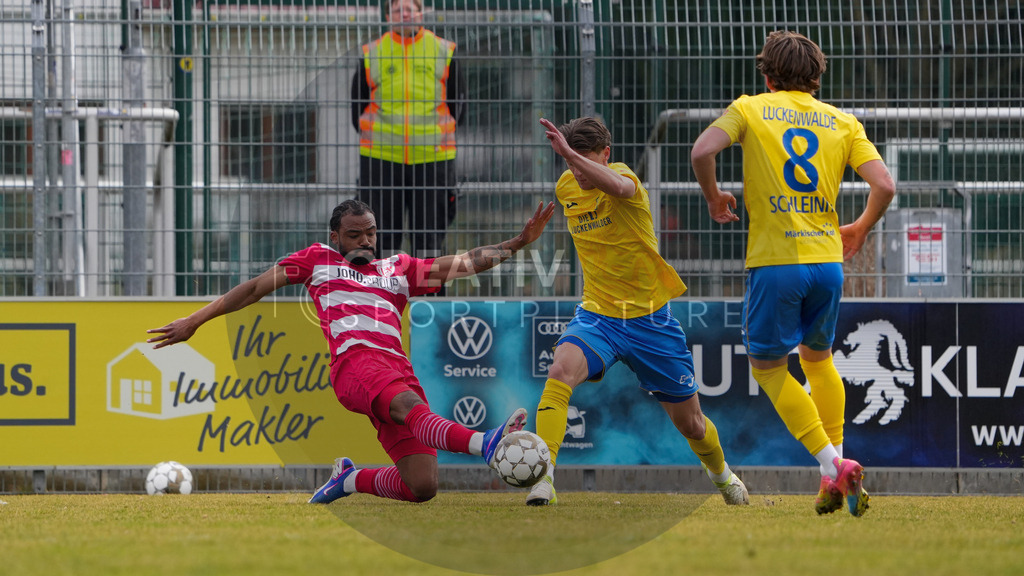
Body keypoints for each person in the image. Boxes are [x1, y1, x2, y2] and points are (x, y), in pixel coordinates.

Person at [147, 198, 555, 504]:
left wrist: (519, 242)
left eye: (371, 232)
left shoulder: (397, 268)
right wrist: (194, 321)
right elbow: (253, 288)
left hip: (397, 369)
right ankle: (487, 443)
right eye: (355, 234)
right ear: (336, 237)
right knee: (412, 406)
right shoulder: (317, 260)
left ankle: (347, 479)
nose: (365, 241)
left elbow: (463, 263)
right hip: (356, 364)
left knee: (422, 485)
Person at [690, 30, 896, 517]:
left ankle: (835, 464)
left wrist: (714, 196)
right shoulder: (843, 122)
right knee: (819, 360)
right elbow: (885, 184)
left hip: (776, 263)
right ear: (818, 77)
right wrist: (862, 227)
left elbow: (702, 152)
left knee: (768, 368)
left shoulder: (750, 108)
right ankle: (832, 477)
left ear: (766, 75)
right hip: (827, 263)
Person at [526, 116, 749, 507]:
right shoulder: (567, 187)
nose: (576, 172)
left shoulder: (624, 179)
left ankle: (724, 476)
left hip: (651, 319)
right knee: (560, 370)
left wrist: (569, 154)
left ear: (605, 156)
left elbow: (616, 184)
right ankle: (544, 480)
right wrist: (572, 162)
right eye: (570, 164)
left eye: (584, 162)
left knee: (692, 425)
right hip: (598, 315)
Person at [352, 0, 467, 259]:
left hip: (433, 159)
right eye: (397, 10)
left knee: (429, 241)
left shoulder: (442, 50)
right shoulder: (373, 52)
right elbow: (356, 106)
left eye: (409, 9)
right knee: (378, 238)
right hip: (381, 159)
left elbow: (458, 105)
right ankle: (381, 296)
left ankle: (430, 300)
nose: (403, 14)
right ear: (387, 16)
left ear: (420, 13)